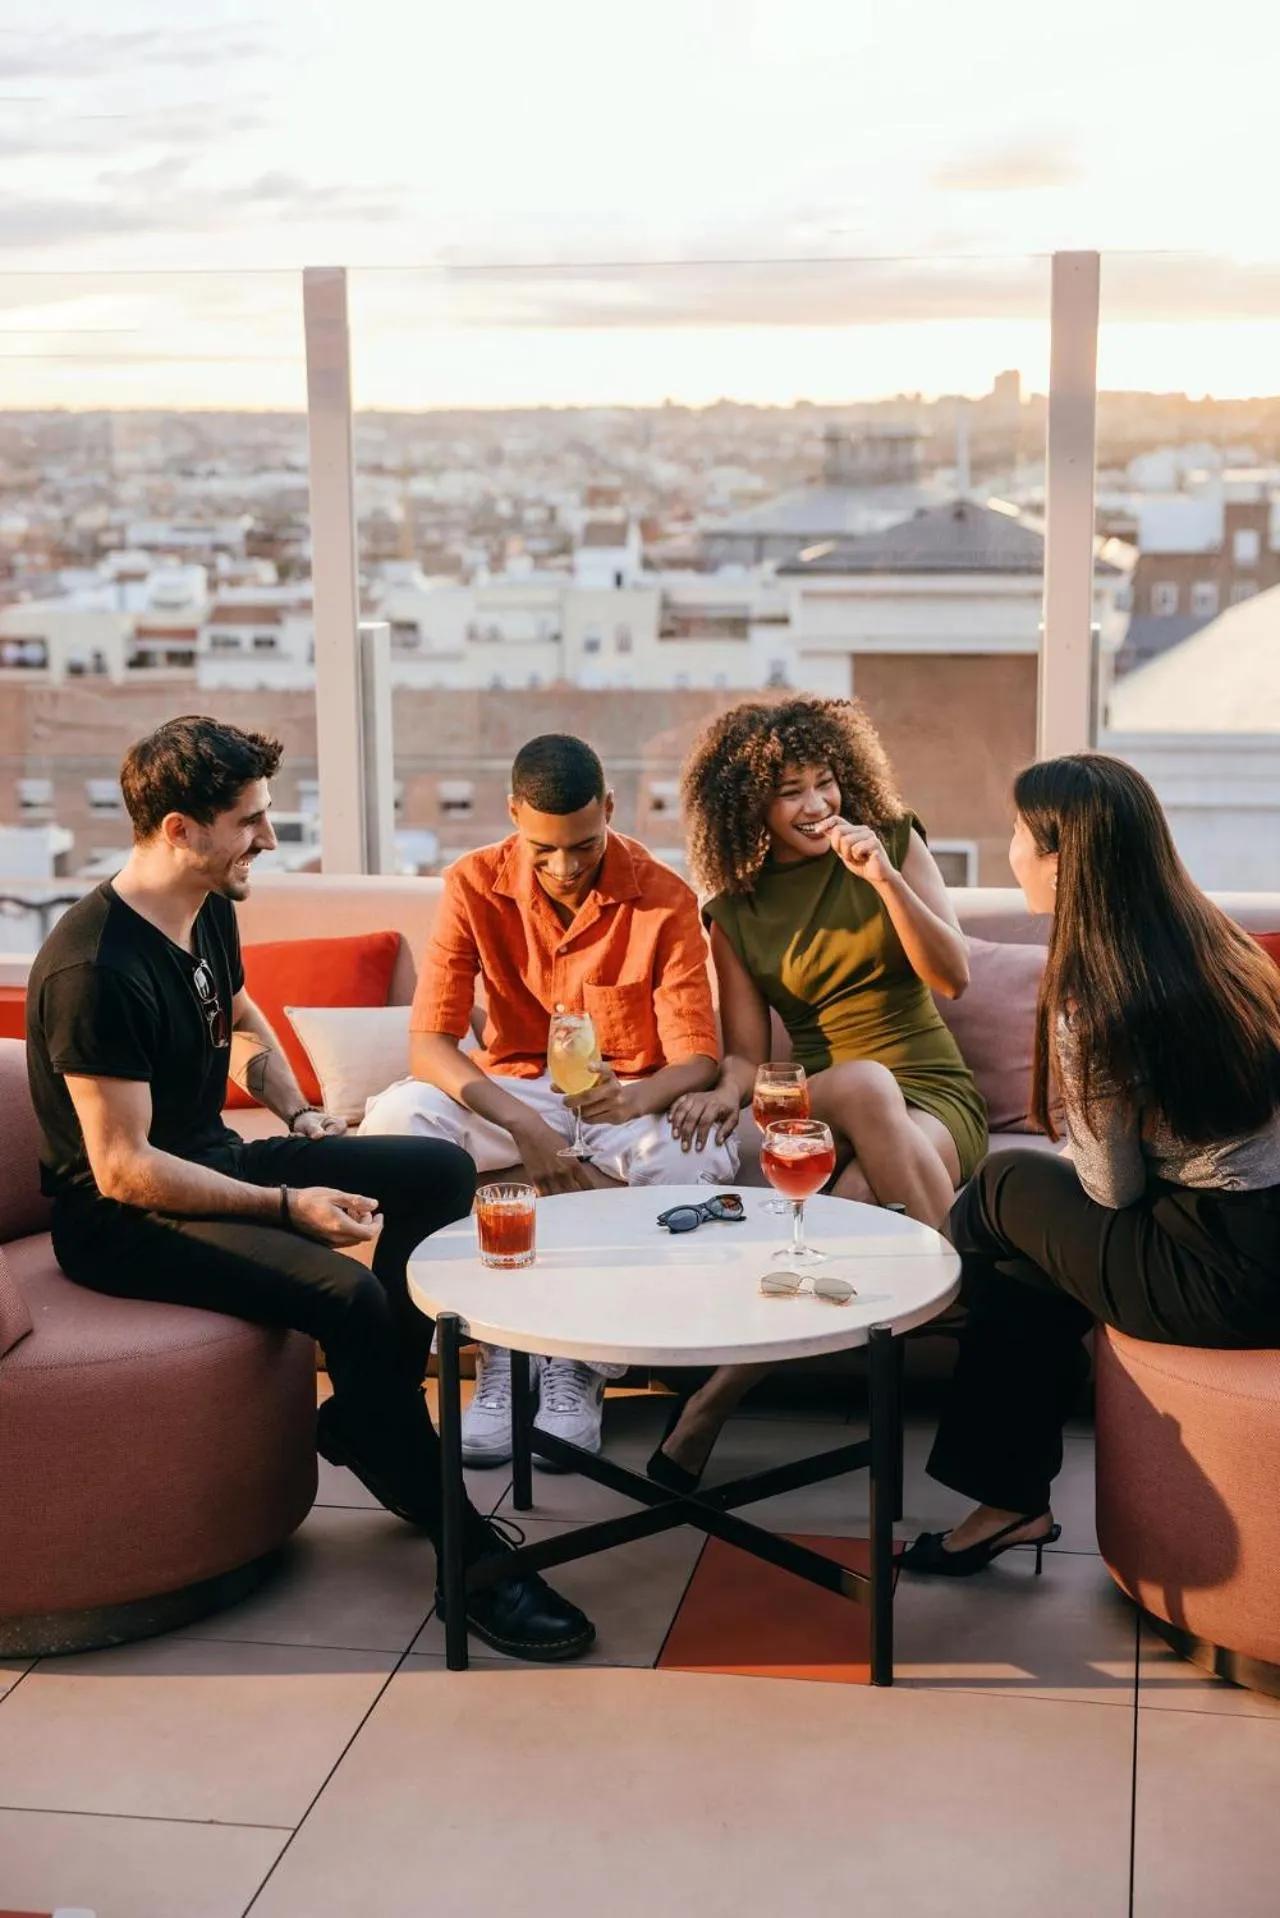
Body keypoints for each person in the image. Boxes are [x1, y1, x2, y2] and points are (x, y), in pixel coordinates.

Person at [26, 715, 593, 1662]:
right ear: (179, 829)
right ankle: (468, 1554)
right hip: (126, 1220)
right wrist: (289, 1208)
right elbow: (123, 1168)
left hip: (212, 1158)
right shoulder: (95, 969)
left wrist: (297, 1114)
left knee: (437, 1169)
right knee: (352, 1296)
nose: (269, 838)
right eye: (249, 821)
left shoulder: (204, 904)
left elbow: (240, 1017)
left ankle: (369, 1422)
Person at [904, 753, 1280, 1577]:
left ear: (1061, 860)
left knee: (1004, 1184)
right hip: (1260, 1241)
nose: (1010, 848)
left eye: (1017, 833)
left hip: (1221, 1276)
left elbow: (1111, 1187)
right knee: (1022, 1257)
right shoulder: (1216, 943)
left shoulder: (1096, 995)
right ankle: (1008, 1502)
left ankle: (934, 1298)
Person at [360, 732, 736, 1467]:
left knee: (689, 1165)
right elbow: (430, 1045)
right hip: (510, 1087)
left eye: (584, 846)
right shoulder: (472, 883)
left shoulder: (666, 897)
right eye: (544, 850)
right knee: (396, 1124)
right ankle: (499, 1343)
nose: (565, 868)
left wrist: (637, 1101)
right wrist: (527, 1129)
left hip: (621, 1095)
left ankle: (581, 1362)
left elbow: (696, 1055)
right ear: (512, 815)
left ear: (610, 809)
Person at [657, 696, 987, 1489]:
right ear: (750, 806)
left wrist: (884, 880)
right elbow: (748, 1054)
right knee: (864, 1085)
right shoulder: (734, 911)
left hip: (933, 1092)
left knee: (861, 1195)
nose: (816, 804)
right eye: (790, 791)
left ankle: (709, 1406)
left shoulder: (893, 842)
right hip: (826, 1096)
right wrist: (724, 1094)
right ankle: (962, 1290)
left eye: (825, 782)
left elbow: (954, 976)